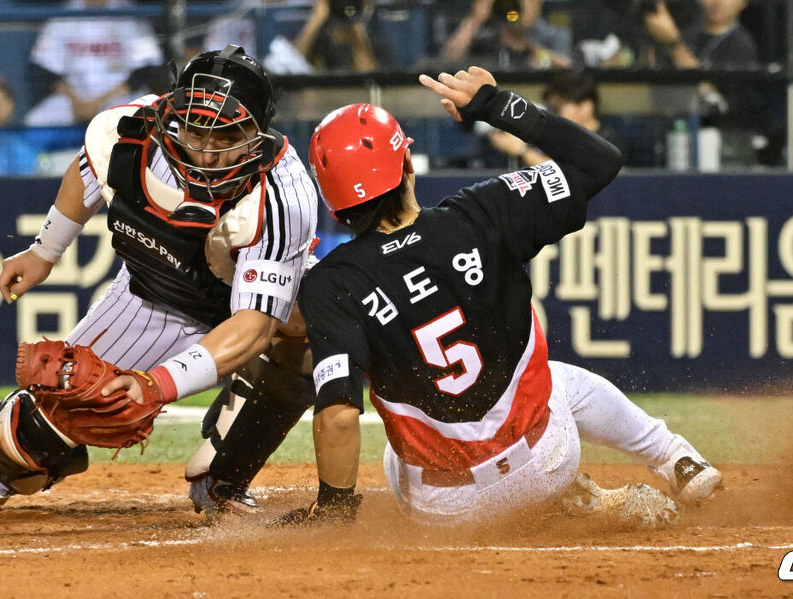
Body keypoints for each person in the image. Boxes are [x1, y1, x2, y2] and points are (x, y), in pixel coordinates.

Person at [282, 66, 723, 528]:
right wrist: (496, 106)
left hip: (444, 509)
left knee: (398, 451)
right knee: (557, 381)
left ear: (331, 202)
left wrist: (332, 512)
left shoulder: (330, 283)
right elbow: (600, 161)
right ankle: (676, 460)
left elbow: (338, 418)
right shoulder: (483, 211)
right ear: (406, 166)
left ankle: (578, 502)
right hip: (546, 462)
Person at [0, 45, 320, 516]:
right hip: (150, 294)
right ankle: (9, 464)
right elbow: (87, 173)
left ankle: (227, 471)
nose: (205, 149)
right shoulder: (128, 131)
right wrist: (46, 249)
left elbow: (254, 326)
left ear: (257, 132)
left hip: (245, 308)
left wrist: (157, 383)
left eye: (224, 136)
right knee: (30, 438)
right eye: (196, 129)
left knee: (313, 330)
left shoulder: (284, 193)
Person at [24, 0, 168, 127]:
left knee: (143, 118)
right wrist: (76, 102)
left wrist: (99, 102)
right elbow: (43, 70)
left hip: (119, 96)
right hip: (72, 99)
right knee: (35, 120)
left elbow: (146, 69)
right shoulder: (63, 13)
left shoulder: (130, 13)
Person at [642, 0, 763, 129]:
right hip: (675, 126)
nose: (717, 2)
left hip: (723, 132)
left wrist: (674, 43)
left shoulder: (742, 45)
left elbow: (721, 104)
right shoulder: (689, 36)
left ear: (742, 3)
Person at [487, 69, 620, 167]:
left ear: (586, 107)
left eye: (559, 107)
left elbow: (571, 175)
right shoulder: (559, 137)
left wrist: (522, 151)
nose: (554, 113)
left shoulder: (607, 143)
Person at [440, 0, 572, 70]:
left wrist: (538, 53)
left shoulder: (554, 36)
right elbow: (449, 59)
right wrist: (475, 19)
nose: (513, 9)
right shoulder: (484, 38)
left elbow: (570, 70)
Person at [291, 0, 387, 72]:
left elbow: (371, 82)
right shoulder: (317, 34)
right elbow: (290, 67)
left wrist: (357, 37)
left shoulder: (374, 33)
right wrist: (316, 19)